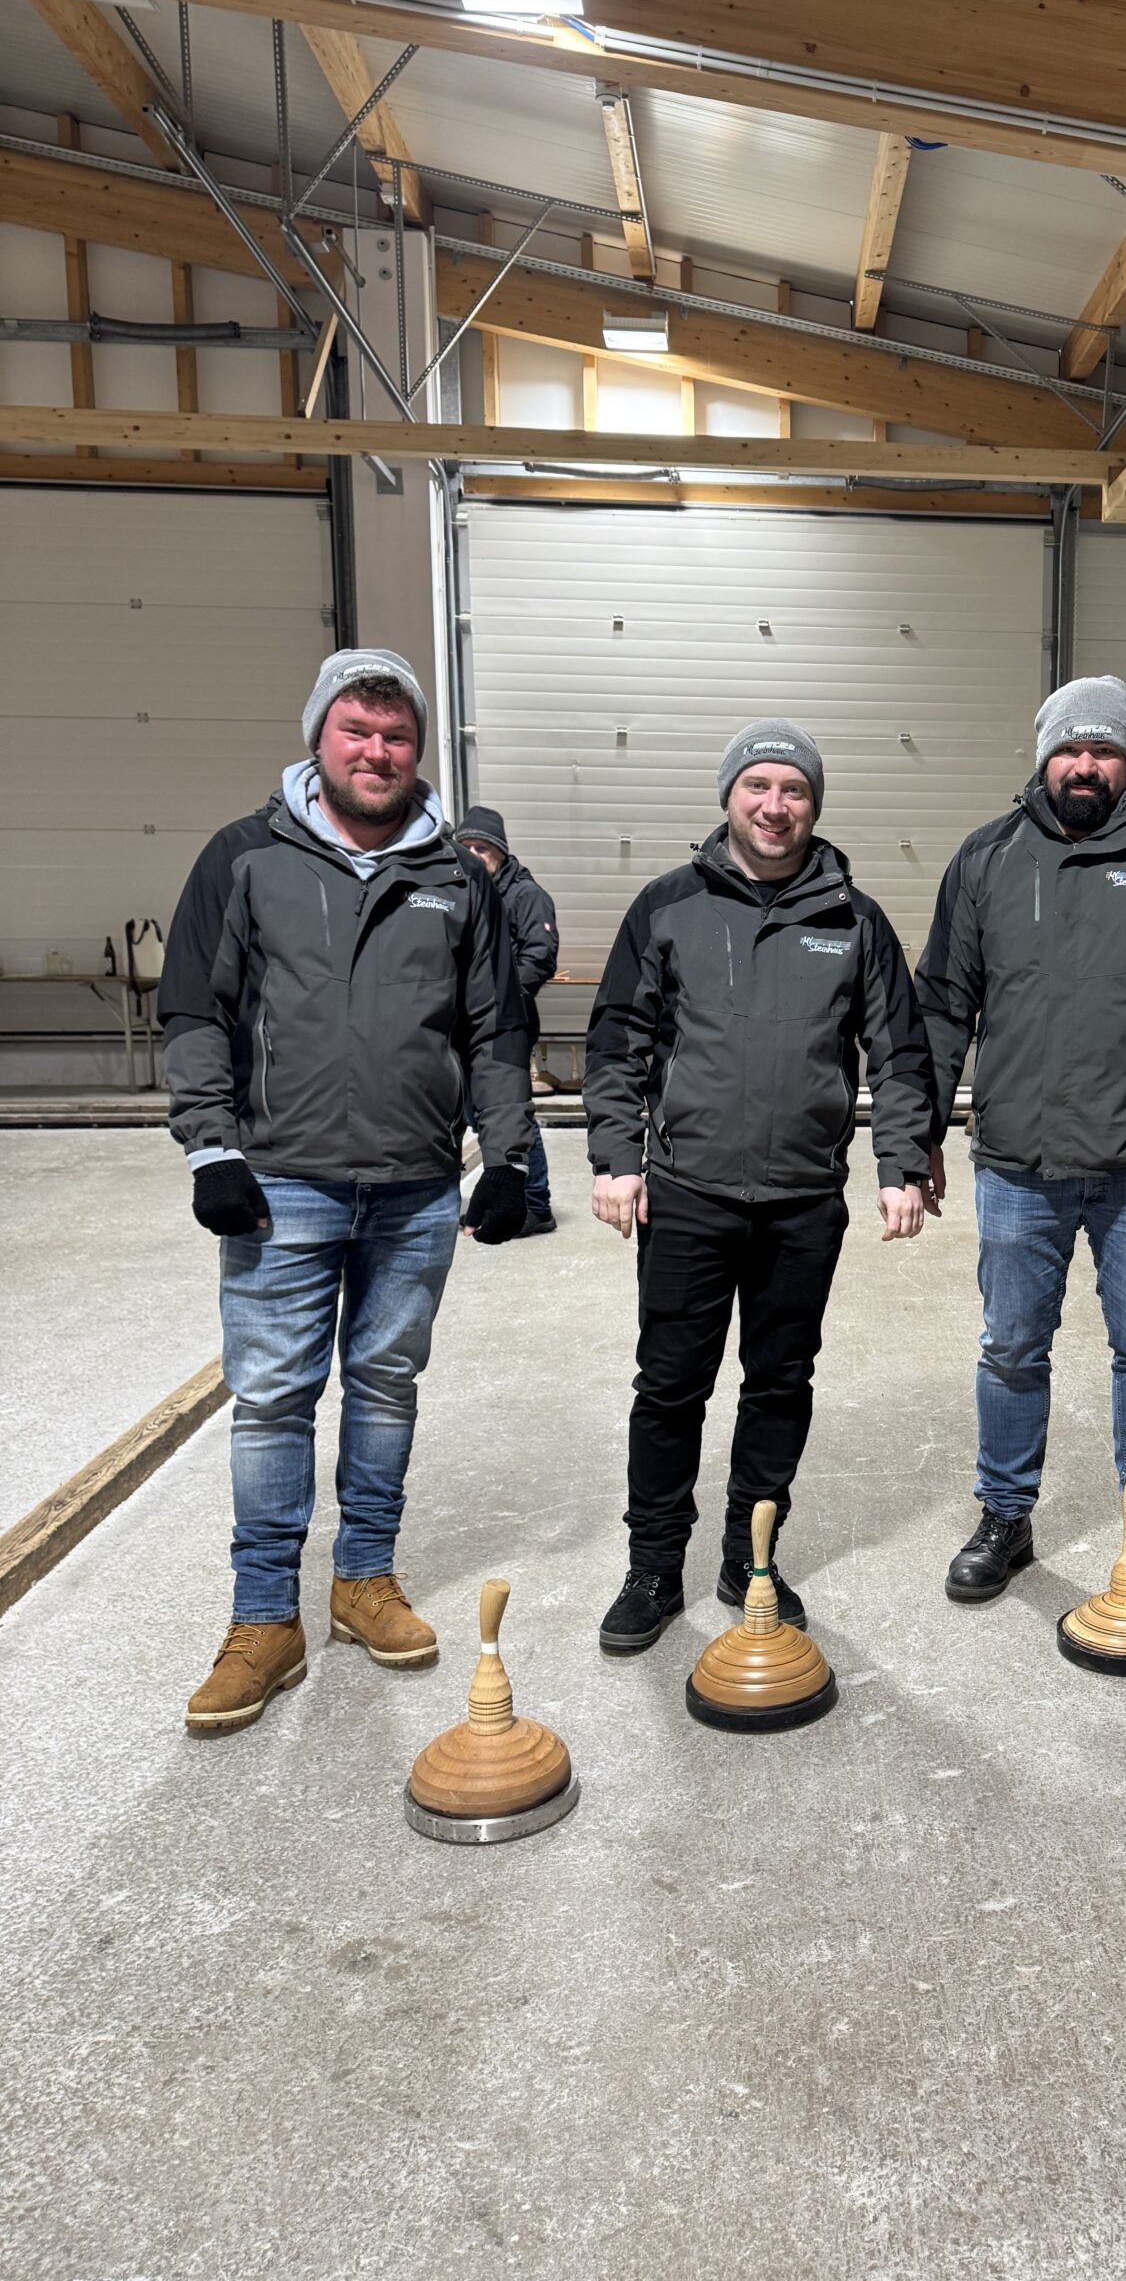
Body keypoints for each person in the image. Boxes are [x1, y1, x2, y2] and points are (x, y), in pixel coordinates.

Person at [161, 648, 534, 1736]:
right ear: (320, 738)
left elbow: (494, 1030)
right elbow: (194, 1009)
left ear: (420, 749)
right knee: (274, 1396)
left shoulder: (458, 876)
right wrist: (210, 1149)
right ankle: (262, 1620)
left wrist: (507, 1156)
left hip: (416, 1186)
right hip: (282, 1180)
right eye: (357, 732)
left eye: (397, 735)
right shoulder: (244, 857)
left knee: (384, 1384)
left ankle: (363, 1579)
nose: (378, 752)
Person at [586, 722, 934, 1653]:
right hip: (687, 1193)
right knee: (670, 1388)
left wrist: (900, 1164)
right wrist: (617, 1157)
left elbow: (900, 1054)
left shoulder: (855, 920)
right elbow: (617, 1041)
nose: (775, 806)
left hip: (802, 1200)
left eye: (794, 790)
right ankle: (654, 1566)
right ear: (729, 796)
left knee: (780, 1382)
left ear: (814, 806)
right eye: (758, 786)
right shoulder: (668, 906)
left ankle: (752, 1556)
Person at [916, 675, 1126, 1611]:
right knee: (1010, 1349)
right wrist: (921, 1135)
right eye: (1069, 748)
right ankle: (1005, 1515)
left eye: (1102, 749)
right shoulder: (988, 857)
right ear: (1043, 758)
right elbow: (942, 1002)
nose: (1084, 765)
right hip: (1016, 1164)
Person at [455, 804, 560, 1236]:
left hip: (506, 1022)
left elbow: (540, 957)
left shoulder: (525, 895)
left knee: (509, 1113)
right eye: (466, 846)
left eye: (483, 848)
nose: (474, 854)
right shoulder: (457, 889)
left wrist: (498, 998)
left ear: (500, 852)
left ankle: (535, 1203)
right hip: (459, 1025)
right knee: (467, 1110)